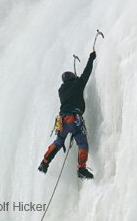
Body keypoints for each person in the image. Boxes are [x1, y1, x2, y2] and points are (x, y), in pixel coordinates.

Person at [38, 51, 96, 179]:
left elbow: (72, 90)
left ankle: (44, 163)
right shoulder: (78, 84)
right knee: (82, 144)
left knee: (58, 141)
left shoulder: (61, 90)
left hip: (62, 121)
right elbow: (86, 73)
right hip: (74, 120)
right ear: (72, 78)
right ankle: (81, 169)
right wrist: (91, 59)